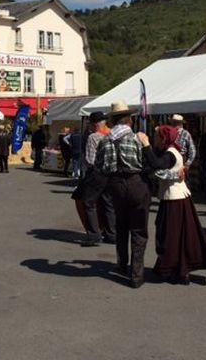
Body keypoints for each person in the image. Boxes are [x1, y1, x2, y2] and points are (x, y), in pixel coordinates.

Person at [137, 126, 206, 285]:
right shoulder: (171, 151)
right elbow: (155, 167)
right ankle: (176, 268)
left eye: (157, 137)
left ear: (163, 138)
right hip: (174, 198)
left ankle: (175, 269)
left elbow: (156, 164)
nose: (154, 139)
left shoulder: (171, 154)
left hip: (175, 199)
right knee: (174, 235)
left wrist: (146, 144)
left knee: (171, 236)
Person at [94, 101, 151, 288]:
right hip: (135, 183)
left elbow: (99, 167)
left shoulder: (104, 140)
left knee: (121, 226)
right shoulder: (136, 139)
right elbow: (146, 163)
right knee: (139, 230)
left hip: (115, 185)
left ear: (112, 121)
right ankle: (136, 275)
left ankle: (121, 264)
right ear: (129, 121)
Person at [74, 111, 115, 246]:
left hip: (97, 173)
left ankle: (94, 234)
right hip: (112, 173)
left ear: (95, 124)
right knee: (108, 203)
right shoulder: (113, 134)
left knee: (88, 202)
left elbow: (90, 160)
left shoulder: (94, 137)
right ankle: (111, 233)